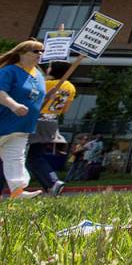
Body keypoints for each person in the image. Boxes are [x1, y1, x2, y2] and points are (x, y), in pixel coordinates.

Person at [0, 39, 47, 200]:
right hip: (3, 123)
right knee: (15, 157)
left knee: (16, 159)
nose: (40, 54)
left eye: (42, 51)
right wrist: (13, 106)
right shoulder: (9, 71)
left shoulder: (39, 75)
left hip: (22, 127)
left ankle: (17, 192)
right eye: (35, 51)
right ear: (21, 53)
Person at [26, 60, 76, 195]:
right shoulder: (70, 87)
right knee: (35, 156)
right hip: (51, 123)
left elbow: (31, 99)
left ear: (54, 70)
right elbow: (65, 110)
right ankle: (52, 185)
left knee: (23, 155)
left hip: (36, 120)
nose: (47, 69)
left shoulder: (44, 84)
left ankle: (51, 183)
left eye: (49, 67)